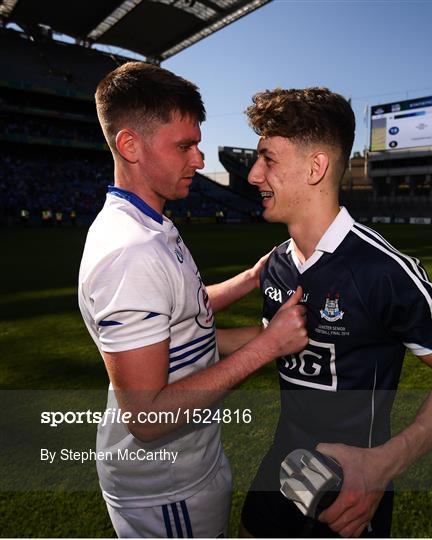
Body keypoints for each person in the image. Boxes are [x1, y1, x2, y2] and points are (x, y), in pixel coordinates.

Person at [239, 87, 432, 538]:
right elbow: (267, 341)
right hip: (278, 472)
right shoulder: (275, 265)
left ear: (316, 168)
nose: (254, 175)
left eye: (268, 159)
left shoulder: (383, 270)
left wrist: (385, 461)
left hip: (350, 493)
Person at [78, 62, 308, 538]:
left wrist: (250, 278)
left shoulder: (150, 225)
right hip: (163, 487)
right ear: (130, 145)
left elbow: (183, 312)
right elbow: (147, 418)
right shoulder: (130, 252)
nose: (200, 160)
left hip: (185, 469)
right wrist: (266, 348)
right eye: (185, 146)